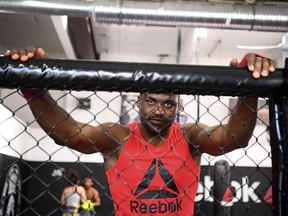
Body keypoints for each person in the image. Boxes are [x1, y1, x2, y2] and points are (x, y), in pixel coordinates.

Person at [4, 47, 276, 216]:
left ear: (178, 106)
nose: (159, 111)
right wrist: (34, 89)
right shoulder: (118, 137)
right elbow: (69, 134)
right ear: (138, 101)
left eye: (169, 104)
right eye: (151, 102)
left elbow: (233, 138)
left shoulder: (189, 137)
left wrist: (249, 86)